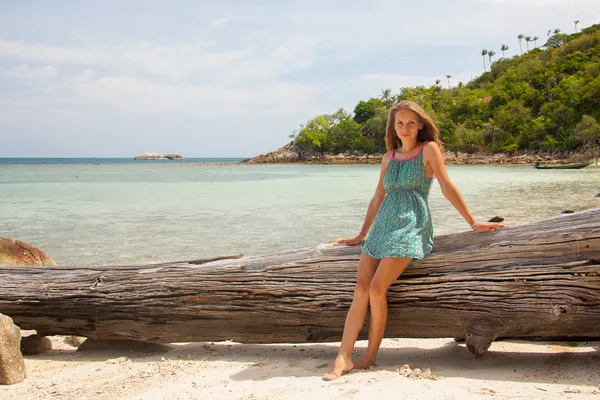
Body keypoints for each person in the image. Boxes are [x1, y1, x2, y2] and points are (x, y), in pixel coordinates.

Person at [323, 100, 504, 381]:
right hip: (383, 226)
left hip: (411, 224)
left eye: (410, 122)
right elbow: (378, 197)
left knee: (376, 289)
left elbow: (446, 185)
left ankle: (369, 356)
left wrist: (472, 221)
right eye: (399, 123)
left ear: (420, 124)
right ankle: (343, 356)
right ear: (393, 127)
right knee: (360, 288)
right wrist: (361, 234)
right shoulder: (388, 157)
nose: (405, 128)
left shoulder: (428, 150)